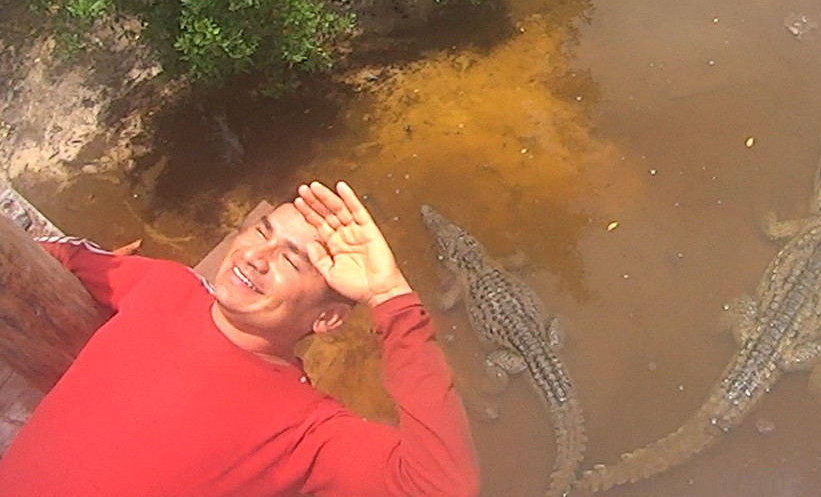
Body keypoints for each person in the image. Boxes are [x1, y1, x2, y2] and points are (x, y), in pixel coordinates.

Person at [0, 180, 480, 497]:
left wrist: (390, 297)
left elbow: (441, 485)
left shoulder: (303, 431)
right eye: (261, 231)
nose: (256, 256)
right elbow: (65, 258)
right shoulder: (166, 286)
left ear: (327, 319)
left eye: (292, 260)